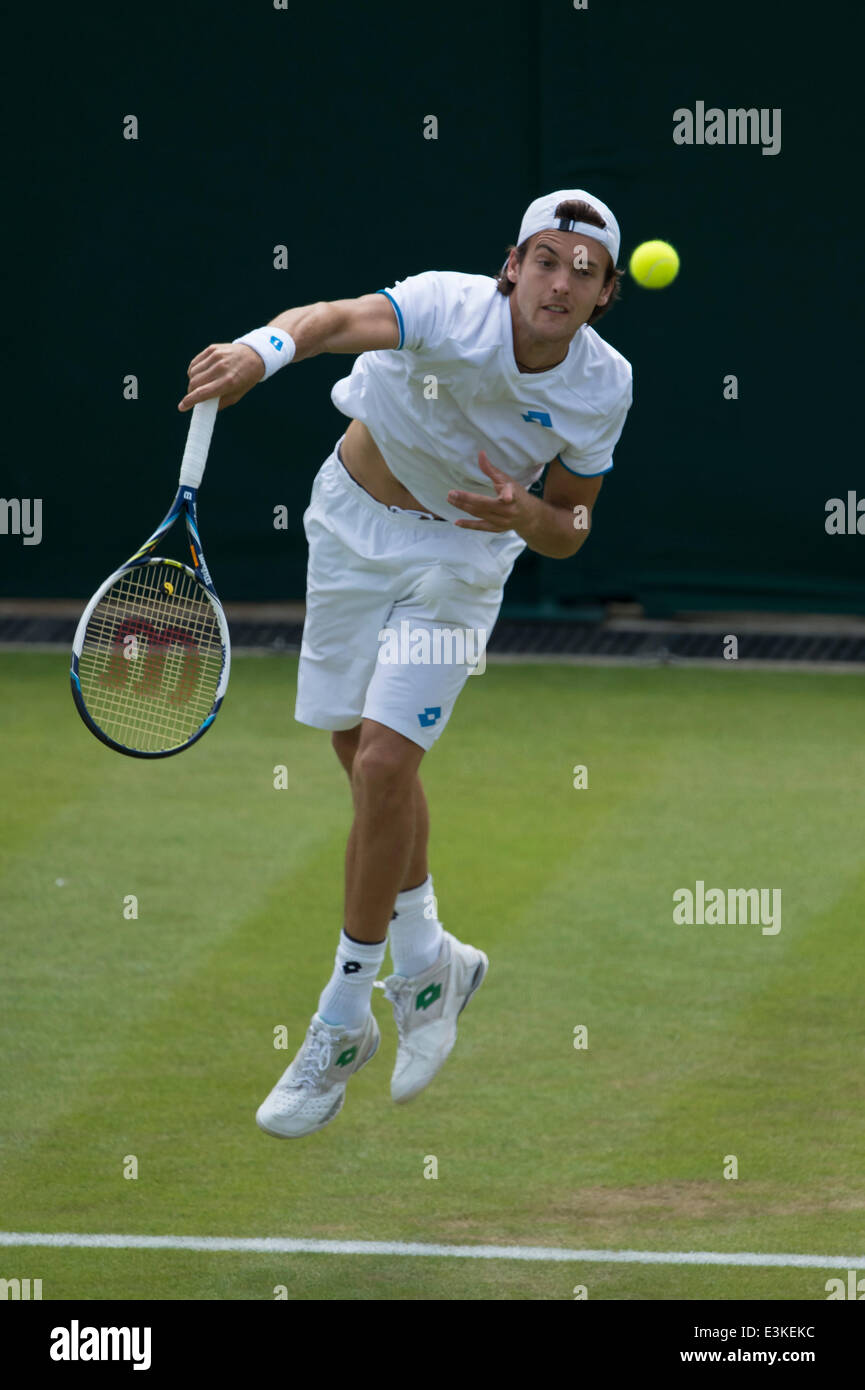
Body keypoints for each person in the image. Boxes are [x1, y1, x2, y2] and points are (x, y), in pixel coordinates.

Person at [178, 188, 633, 1138]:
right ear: (511, 266)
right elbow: (334, 320)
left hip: (460, 563)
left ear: (603, 296)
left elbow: (573, 528)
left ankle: (341, 1021)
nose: (559, 282)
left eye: (581, 272)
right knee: (357, 759)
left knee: (387, 763)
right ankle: (433, 962)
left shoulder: (602, 384)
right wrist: (260, 353)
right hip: (347, 523)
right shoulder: (441, 304)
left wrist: (530, 518)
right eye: (544, 260)